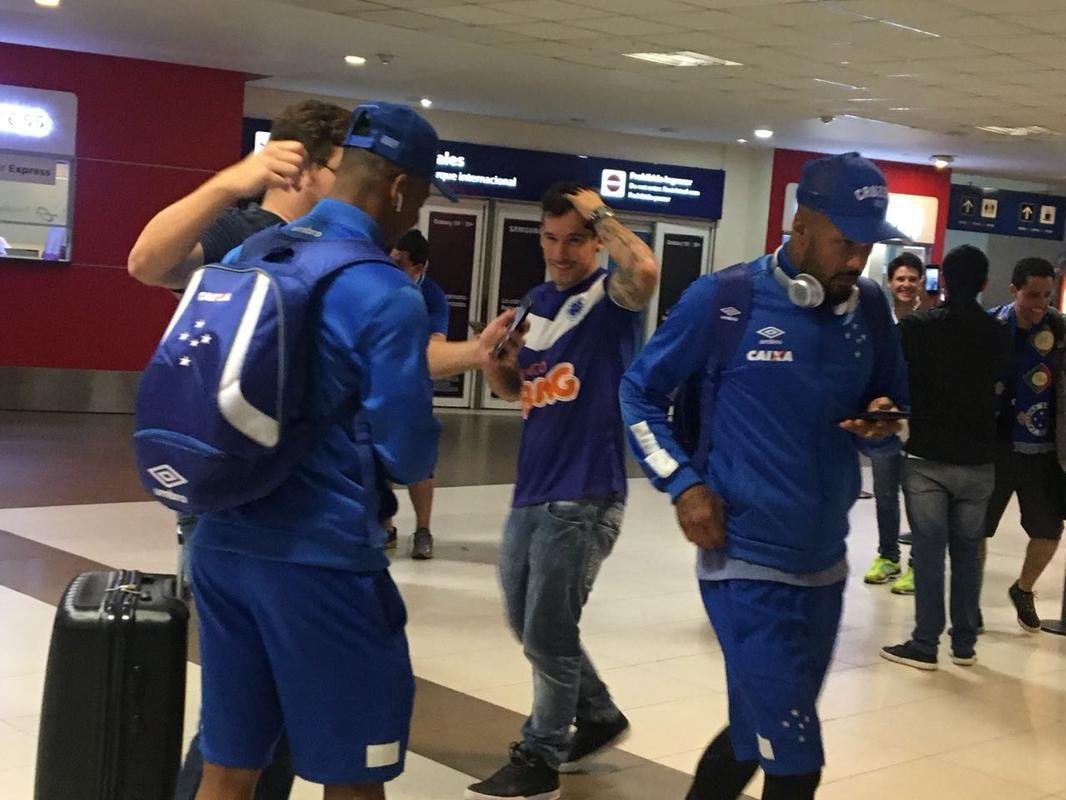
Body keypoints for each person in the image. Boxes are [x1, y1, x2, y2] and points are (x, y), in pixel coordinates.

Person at [188, 101, 492, 800]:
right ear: (396, 190)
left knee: (229, 767)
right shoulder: (384, 290)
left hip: (222, 544)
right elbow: (410, 453)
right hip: (320, 561)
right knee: (353, 776)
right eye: (416, 197)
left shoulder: (253, 252)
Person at [620, 152, 908, 800]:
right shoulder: (725, 301)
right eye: (844, 243)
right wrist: (684, 485)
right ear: (800, 227)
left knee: (756, 733)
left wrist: (889, 426)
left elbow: (896, 415)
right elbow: (638, 394)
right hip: (744, 564)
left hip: (825, 569)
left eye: (867, 246)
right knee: (796, 758)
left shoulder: (868, 310)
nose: (857, 260)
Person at [129, 98, 351, 800]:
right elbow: (146, 261)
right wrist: (235, 179)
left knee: (267, 707)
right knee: (243, 710)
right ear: (302, 167)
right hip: (232, 503)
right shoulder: (246, 230)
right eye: (344, 170)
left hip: (296, 499)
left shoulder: (339, 252)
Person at [465, 182, 659, 800]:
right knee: (525, 621)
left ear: (597, 240)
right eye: (550, 238)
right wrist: (498, 358)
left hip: (585, 492)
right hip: (532, 488)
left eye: (575, 239)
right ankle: (598, 714)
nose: (560, 252)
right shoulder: (535, 302)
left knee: (548, 629)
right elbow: (506, 388)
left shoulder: (612, 297)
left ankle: (540, 752)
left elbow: (646, 267)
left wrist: (601, 209)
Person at [880, 245, 1010, 670]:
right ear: (986, 283)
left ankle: (924, 644)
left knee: (930, 553)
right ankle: (965, 643)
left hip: (926, 455)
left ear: (943, 282)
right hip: (978, 457)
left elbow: (896, 379)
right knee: (969, 553)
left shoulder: (916, 328)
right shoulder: (997, 332)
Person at [983, 256, 1066, 633]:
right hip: (994, 448)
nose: (1039, 305)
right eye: (1031, 295)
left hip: (1045, 452)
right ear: (1013, 289)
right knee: (978, 529)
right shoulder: (989, 327)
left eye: (1046, 296)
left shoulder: (1060, 330)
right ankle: (969, 601)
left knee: (1048, 531)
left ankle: (1024, 588)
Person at [384, 229, 447, 558]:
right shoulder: (381, 286)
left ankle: (423, 530)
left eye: (399, 262)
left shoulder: (432, 297)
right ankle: (386, 527)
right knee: (380, 457)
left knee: (420, 463)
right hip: (379, 387)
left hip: (415, 388)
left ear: (418, 267)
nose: (391, 266)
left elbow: (436, 343)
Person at [864, 252, 923, 594]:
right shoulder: (878, 323)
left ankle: (919, 564)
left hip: (918, 422)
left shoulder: (931, 324)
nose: (905, 284)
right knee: (885, 495)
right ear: (890, 282)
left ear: (920, 283)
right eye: (900, 279)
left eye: (911, 279)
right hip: (886, 420)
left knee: (918, 496)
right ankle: (888, 556)